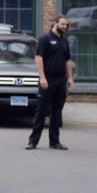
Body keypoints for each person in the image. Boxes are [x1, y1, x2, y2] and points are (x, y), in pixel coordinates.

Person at [26, 15, 75, 150]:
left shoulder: (65, 41)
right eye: (62, 24)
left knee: (56, 112)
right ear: (55, 23)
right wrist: (42, 77)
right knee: (41, 111)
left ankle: (54, 142)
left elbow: (67, 61)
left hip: (61, 80)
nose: (65, 27)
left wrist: (70, 78)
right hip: (48, 79)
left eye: (66, 25)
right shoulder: (45, 39)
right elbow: (38, 58)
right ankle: (33, 141)